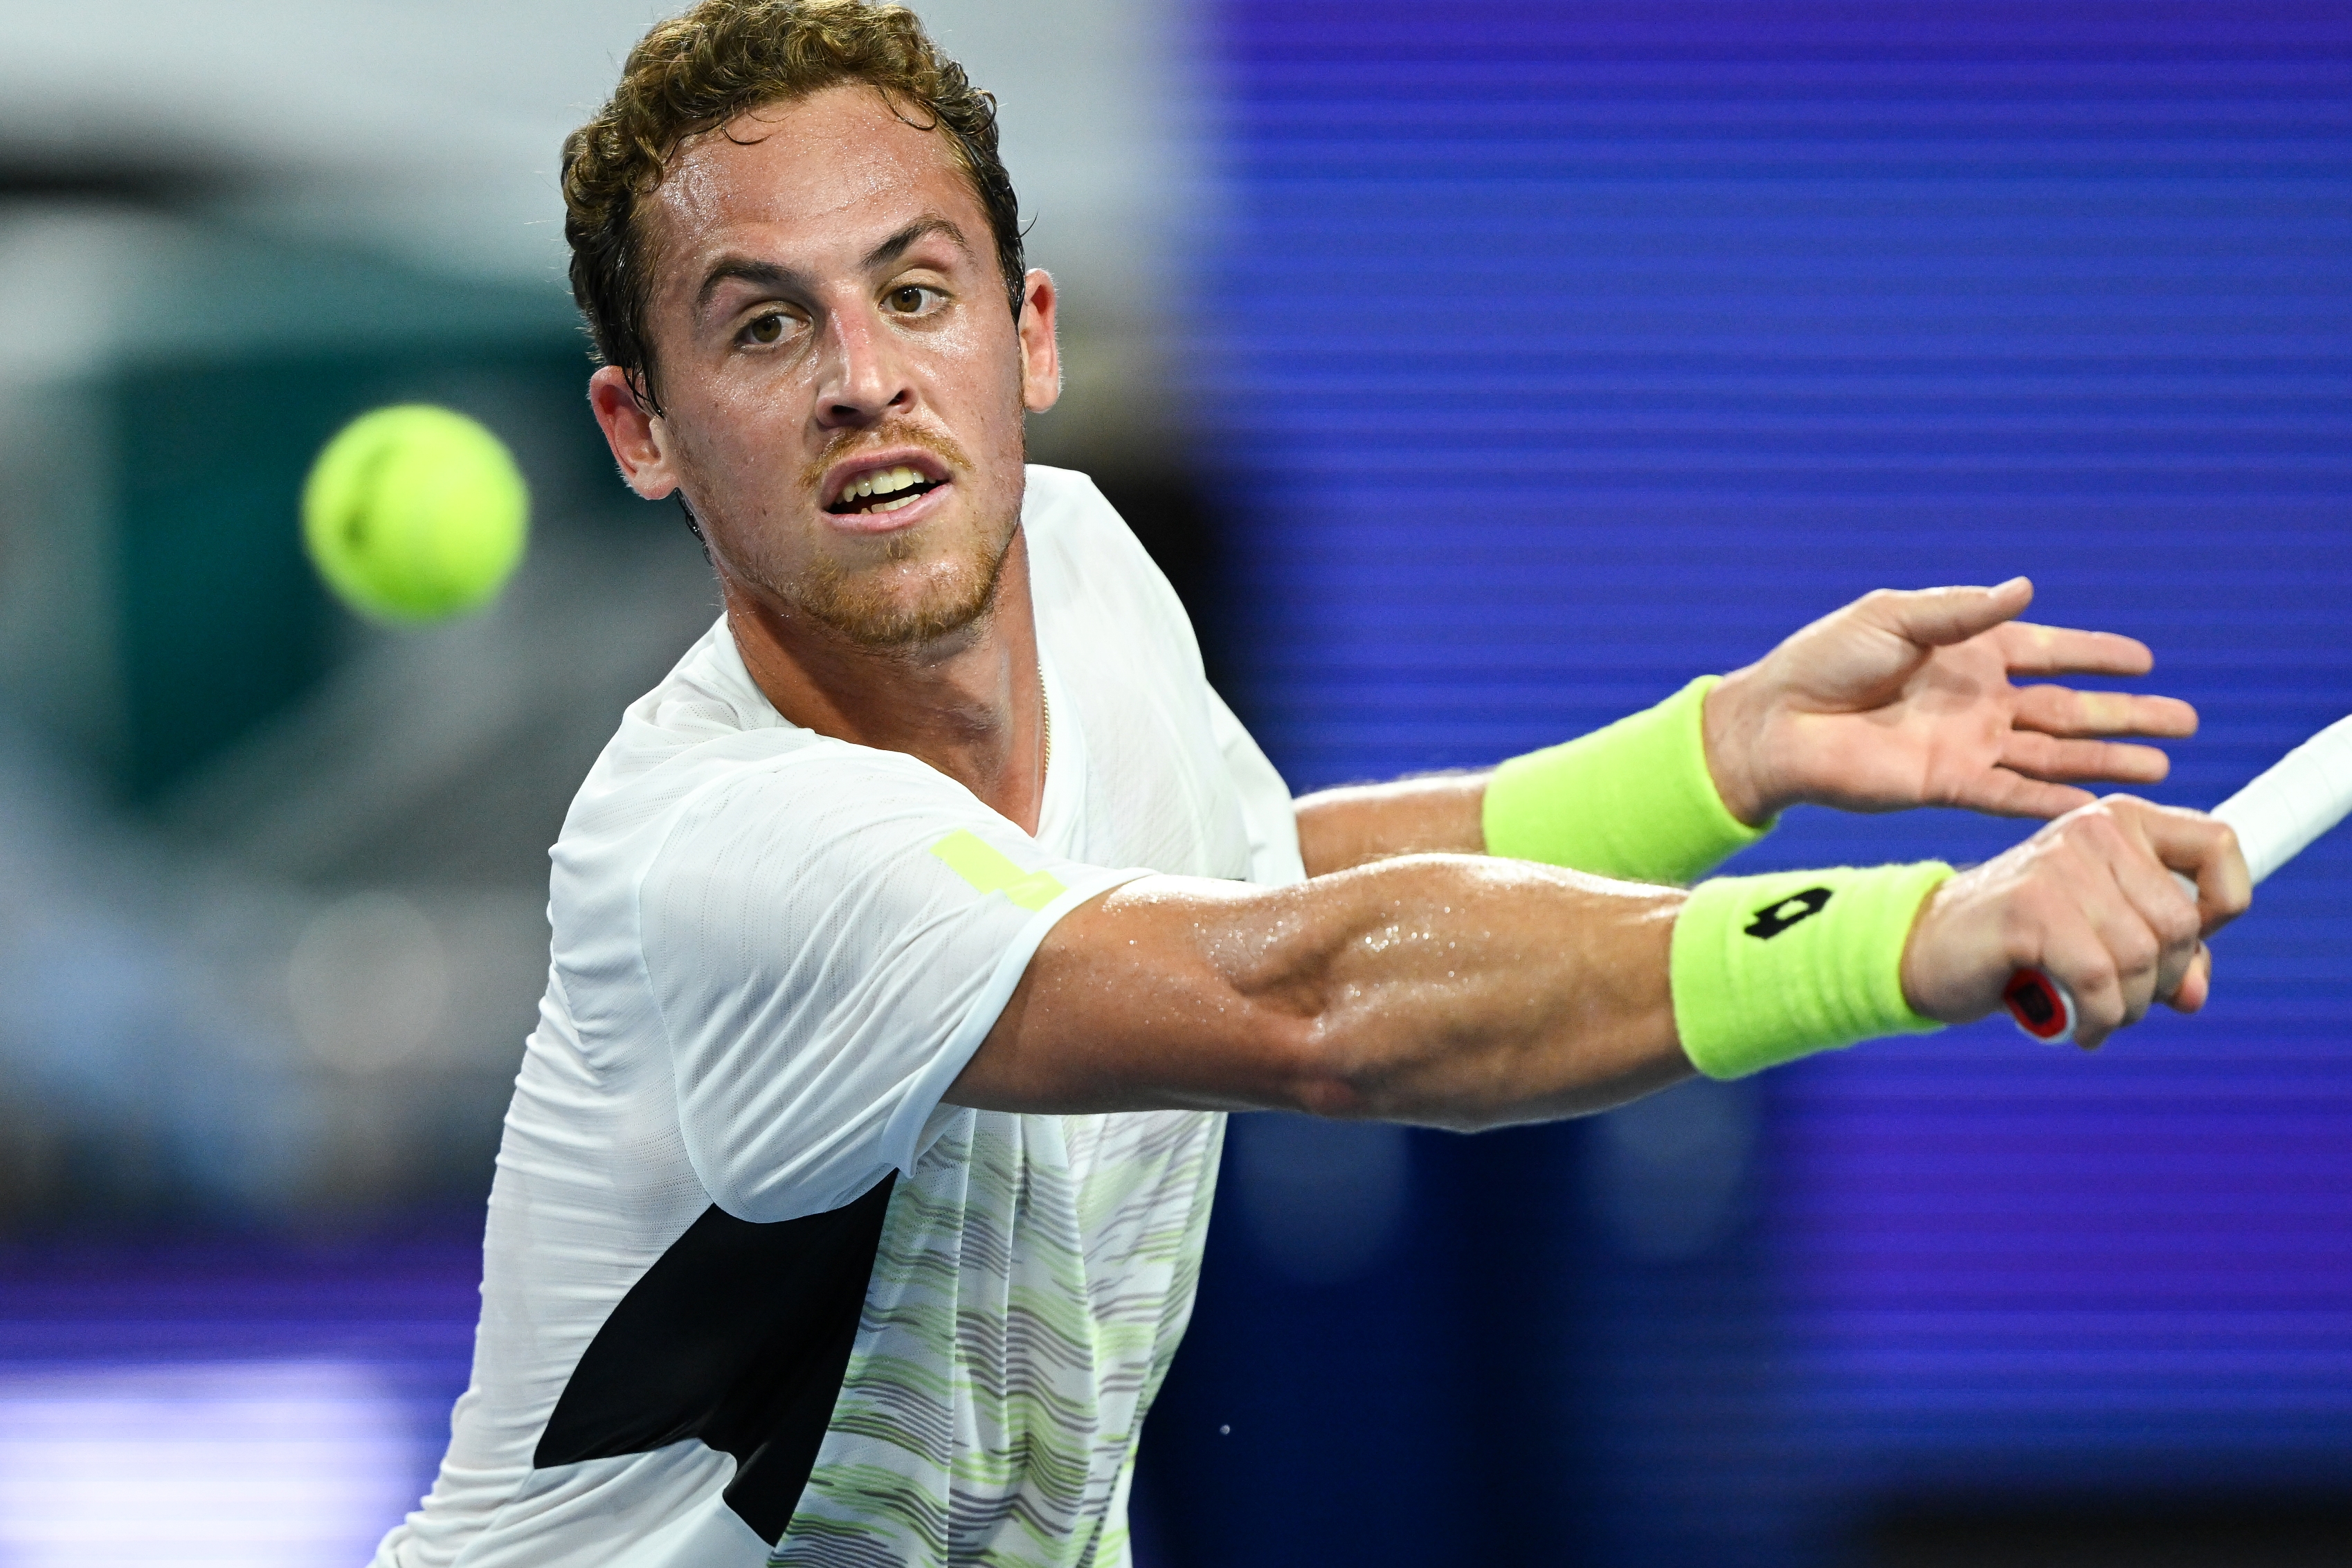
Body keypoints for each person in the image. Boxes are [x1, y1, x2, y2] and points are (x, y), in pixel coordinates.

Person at [370, 2, 2251, 1564]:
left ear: (1030, 334)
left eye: (916, 291)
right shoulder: (730, 845)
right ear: (641, 427)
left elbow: (1252, 883)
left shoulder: (1085, 577)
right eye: (767, 324)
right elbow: (1312, 993)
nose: (865, 377)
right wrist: (1921, 935)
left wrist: (1716, 756)